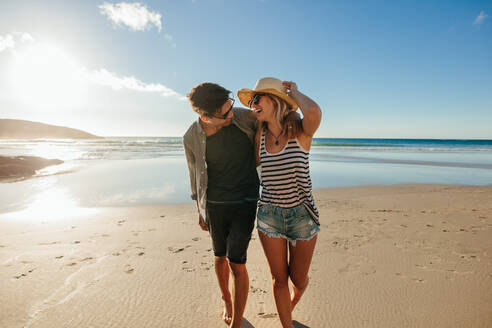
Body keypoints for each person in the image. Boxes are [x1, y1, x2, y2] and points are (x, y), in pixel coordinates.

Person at [237, 77, 322, 328]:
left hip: (302, 215)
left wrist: (294, 92)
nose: (253, 105)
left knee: (298, 277)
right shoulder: (259, 137)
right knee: (279, 279)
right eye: (251, 101)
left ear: (275, 101)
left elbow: (314, 111)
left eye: (257, 99)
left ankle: (297, 294)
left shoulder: (300, 130)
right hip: (269, 215)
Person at [183, 82, 259, 327]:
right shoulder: (190, 137)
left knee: (237, 261)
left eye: (231, 106)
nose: (231, 114)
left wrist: (289, 118)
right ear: (206, 117)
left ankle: (237, 321)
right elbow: (194, 176)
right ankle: (226, 299)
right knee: (219, 256)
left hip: (246, 200)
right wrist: (200, 211)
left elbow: (274, 118)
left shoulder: (242, 117)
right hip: (215, 204)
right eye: (225, 113)